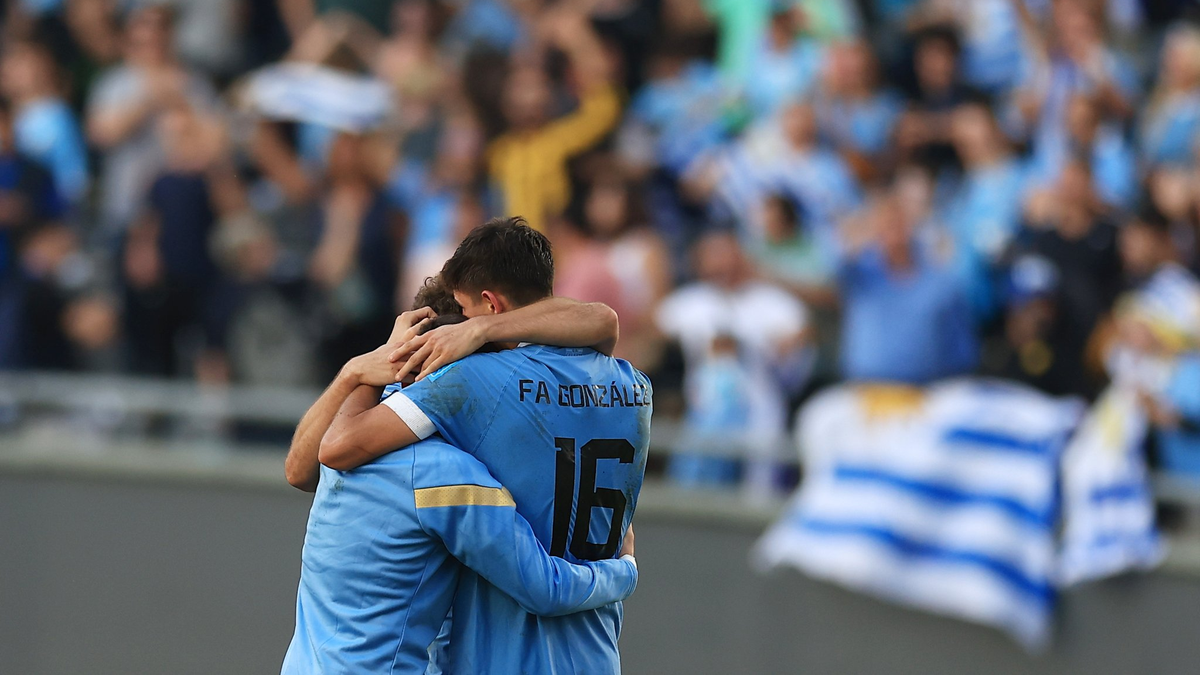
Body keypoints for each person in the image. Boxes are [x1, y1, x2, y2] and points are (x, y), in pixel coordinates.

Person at [313, 218, 651, 674]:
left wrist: (370, 368)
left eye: (464, 312)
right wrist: (623, 568)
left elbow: (335, 448)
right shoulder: (634, 387)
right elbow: (601, 321)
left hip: (504, 656)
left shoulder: (476, 383)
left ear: (489, 304)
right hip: (597, 651)